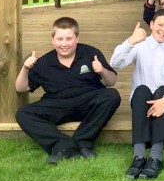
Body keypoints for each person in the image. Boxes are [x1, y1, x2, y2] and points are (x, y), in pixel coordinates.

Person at [15, 16, 121, 164]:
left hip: (87, 102)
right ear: (53, 40)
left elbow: (111, 82)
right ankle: (62, 145)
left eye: (69, 39)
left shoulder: (91, 53)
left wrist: (102, 70)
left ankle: (83, 141)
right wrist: (25, 68)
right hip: (57, 105)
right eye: (59, 39)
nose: (64, 44)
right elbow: (21, 88)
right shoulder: (44, 62)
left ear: (76, 38)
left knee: (111, 96)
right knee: (23, 113)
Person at [110, 9, 164, 180]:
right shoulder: (140, 44)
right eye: (160, 25)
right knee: (141, 90)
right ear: (151, 24)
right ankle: (138, 157)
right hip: (142, 103)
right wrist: (130, 41)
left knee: (162, 90)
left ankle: (155, 157)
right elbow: (115, 63)